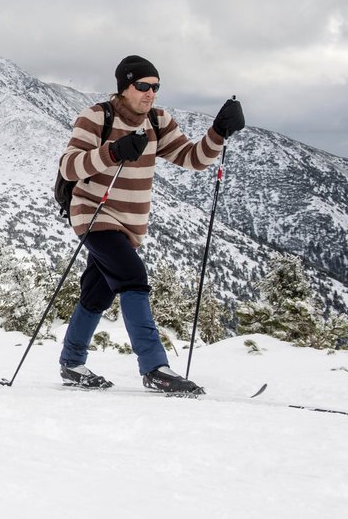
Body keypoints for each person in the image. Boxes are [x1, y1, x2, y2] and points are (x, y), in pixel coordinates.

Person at [58, 55, 244, 393]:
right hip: (92, 214)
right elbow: (69, 167)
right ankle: (155, 367)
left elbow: (194, 159)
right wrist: (113, 152)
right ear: (124, 87)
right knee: (132, 277)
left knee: (97, 291)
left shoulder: (158, 121)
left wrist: (218, 131)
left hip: (130, 225)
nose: (150, 93)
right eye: (143, 86)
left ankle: (71, 363)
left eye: (155, 87)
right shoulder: (96, 117)